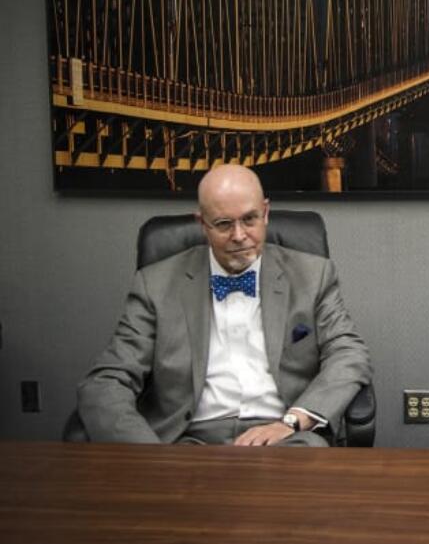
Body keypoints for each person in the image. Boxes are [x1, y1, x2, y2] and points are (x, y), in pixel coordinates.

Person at [76, 164, 372, 446]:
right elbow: (105, 382)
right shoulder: (155, 285)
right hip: (187, 440)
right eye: (223, 224)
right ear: (202, 224)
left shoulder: (313, 275)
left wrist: (292, 422)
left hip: (285, 436)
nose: (239, 236)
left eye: (250, 219)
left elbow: (348, 354)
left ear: (265, 213)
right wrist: (150, 458)